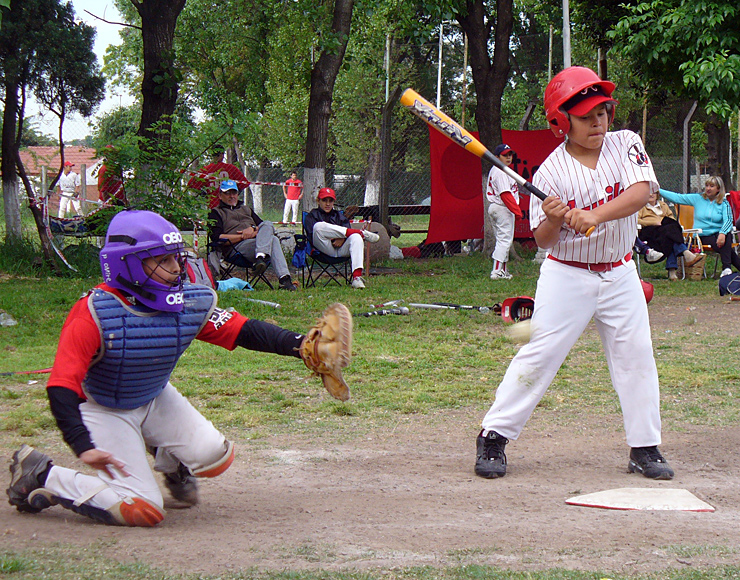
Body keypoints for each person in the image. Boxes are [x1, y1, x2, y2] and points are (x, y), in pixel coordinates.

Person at [6, 209, 352, 527]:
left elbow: (242, 330)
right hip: (103, 408)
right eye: (162, 260)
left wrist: (299, 345)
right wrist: (83, 445)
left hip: (153, 396)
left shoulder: (184, 300)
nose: (175, 267)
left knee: (215, 457)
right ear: (127, 265)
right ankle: (41, 474)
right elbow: (61, 385)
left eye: (176, 257)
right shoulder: (94, 313)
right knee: (143, 509)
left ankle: (165, 454)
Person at [475, 66, 674, 481]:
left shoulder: (626, 143)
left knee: (636, 357)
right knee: (541, 355)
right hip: (568, 275)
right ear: (561, 122)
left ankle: (644, 447)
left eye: (601, 112)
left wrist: (593, 215)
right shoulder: (550, 173)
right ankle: (493, 436)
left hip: (620, 272)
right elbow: (544, 240)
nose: (597, 122)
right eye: (585, 116)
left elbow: (640, 193)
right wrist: (553, 218)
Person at [208, 180, 298, 290]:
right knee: (273, 240)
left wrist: (252, 230)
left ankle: (261, 257)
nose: (232, 196)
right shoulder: (216, 212)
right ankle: (284, 280)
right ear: (220, 195)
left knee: (268, 224)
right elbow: (217, 238)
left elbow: (264, 227)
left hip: (256, 243)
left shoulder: (245, 208)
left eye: (234, 193)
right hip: (235, 248)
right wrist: (242, 236)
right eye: (227, 193)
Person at [659, 176, 739, 277]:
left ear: (718, 189)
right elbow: (677, 197)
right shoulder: (698, 198)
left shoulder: (724, 203)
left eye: (712, 186)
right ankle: (727, 268)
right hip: (701, 236)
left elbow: (728, 220)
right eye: (707, 186)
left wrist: (722, 233)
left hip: (719, 235)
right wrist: (658, 189)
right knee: (724, 243)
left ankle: (727, 269)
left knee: (726, 236)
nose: (708, 188)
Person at [304, 187, 380, 289]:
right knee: (318, 226)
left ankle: (357, 278)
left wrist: (343, 239)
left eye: (330, 201)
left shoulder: (339, 216)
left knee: (356, 237)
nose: (327, 204)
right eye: (324, 200)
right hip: (322, 249)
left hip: (341, 249)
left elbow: (348, 234)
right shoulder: (312, 215)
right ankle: (362, 233)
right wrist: (335, 237)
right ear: (318, 201)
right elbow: (311, 234)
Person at [637, 190, 705, 280]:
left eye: (653, 192)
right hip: (649, 233)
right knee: (671, 234)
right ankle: (684, 253)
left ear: (657, 194)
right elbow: (637, 221)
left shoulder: (663, 205)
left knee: (670, 232)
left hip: (664, 234)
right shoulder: (641, 206)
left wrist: (662, 223)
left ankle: (673, 271)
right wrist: (654, 222)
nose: (651, 194)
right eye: (648, 192)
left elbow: (671, 219)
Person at [486, 143, 523, 279]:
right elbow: (505, 194)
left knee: (502, 240)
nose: (508, 157)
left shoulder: (501, 170)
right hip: (502, 208)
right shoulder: (500, 171)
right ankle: (496, 272)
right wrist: (517, 211)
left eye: (510, 154)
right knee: (504, 241)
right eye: (504, 155)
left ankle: (503, 270)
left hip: (497, 207)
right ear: (497, 157)